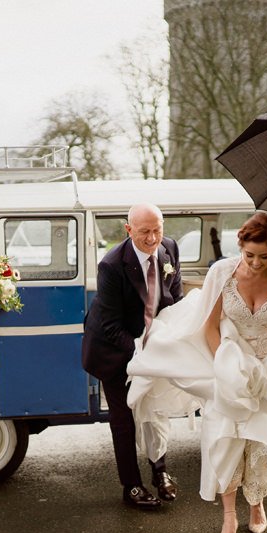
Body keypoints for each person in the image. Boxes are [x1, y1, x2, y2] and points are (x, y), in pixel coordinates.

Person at [126, 212, 267, 533]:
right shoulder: (223, 273)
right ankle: (228, 517)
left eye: (263, 257)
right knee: (224, 440)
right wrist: (223, 367)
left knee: (262, 439)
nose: (254, 263)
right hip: (227, 359)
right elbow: (209, 326)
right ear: (240, 247)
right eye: (248, 254)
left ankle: (257, 503)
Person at [81, 204, 184, 510]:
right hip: (113, 350)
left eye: (158, 229)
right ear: (128, 230)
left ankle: (161, 473)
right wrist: (144, 352)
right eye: (144, 232)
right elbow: (111, 326)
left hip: (152, 343)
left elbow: (173, 301)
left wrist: (171, 339)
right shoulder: (112, 264)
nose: (153, 238)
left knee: (155, 410)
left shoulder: (170, 249)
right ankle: (132, 486)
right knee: (124, 419)